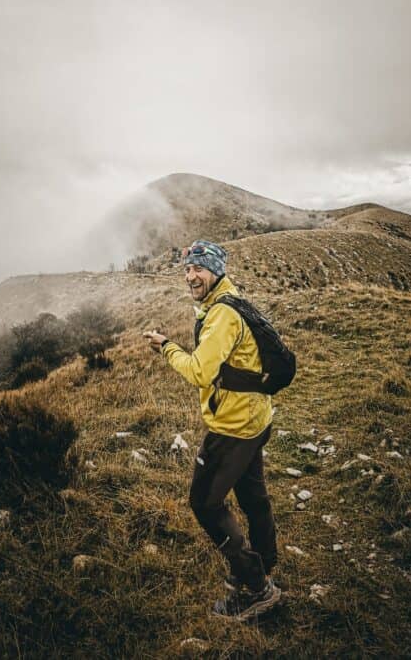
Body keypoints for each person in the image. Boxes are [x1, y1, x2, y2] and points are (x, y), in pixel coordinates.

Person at [144, 239, 281, 621]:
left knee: (204, 503)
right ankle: (265, 559)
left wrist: (167, 347)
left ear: (216, 269)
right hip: (256, 419)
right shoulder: (231, 299)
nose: (191, 276)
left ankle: (256, 587)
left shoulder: (222, 315)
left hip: (232, 427)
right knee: (253, 495)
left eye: (198, 268)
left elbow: (200, 372)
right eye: (187, 269)